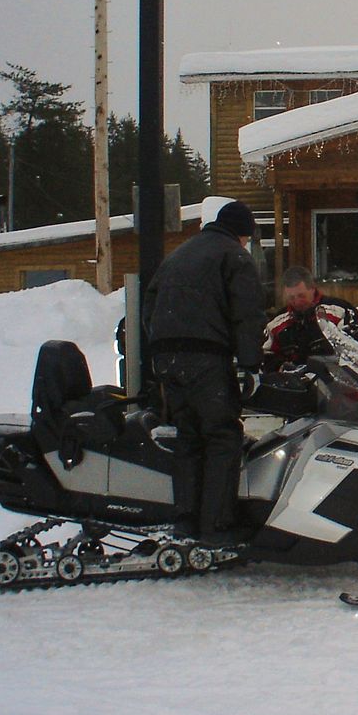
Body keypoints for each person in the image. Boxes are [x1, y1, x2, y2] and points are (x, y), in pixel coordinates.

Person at [142, 199, 265, 544]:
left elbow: (149, 305)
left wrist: (162, 348)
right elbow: (248, 314)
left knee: (188, 437)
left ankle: (186, 520)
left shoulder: (178, 255)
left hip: (168, 359)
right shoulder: (234, 256)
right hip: (207, 358)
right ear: (243, 234)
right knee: (222, 435)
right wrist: (251, 365)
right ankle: (217, 524)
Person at [263, 265, 358, 369]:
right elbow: (266, 356)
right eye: (291, 297)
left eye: (301, 296)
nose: (297, 301)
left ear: (312, 289)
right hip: (297, 384)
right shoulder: (277, 324)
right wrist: (281, 366)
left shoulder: (339, 311)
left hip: (336, 380)